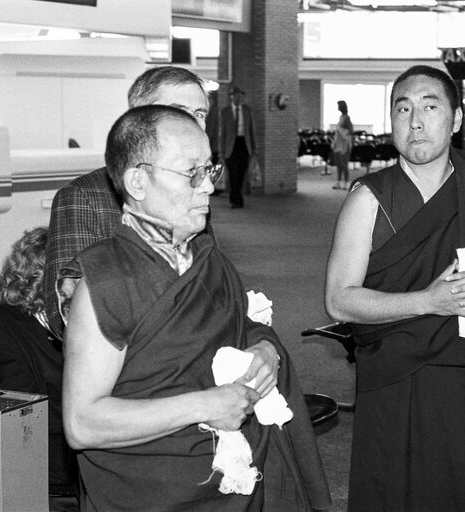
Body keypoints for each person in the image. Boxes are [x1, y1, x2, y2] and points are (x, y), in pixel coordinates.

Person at [62, 105, 330, 511]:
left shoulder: (207, 256)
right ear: (138, 180)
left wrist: (266, 350)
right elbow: (82, 424)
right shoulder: (106, 279)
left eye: (210, 170)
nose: (207, 187)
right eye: (191, 173)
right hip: (157, 489)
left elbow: (241, 324)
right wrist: (204, 404)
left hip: (234, 474)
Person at [324, 65, 465, 512]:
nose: (415, 121)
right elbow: (339, 299)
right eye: (403, 109)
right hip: (398, 378)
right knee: (401, 491)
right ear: (392, 120)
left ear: (456, 119)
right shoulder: (370, 197)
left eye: (430, 106)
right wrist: (429, 301)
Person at [43, 65, 211, 340]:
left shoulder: (197, 190)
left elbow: (209, 285)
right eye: (179, 110)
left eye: (200, 113)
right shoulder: (85, 197)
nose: (193, 122)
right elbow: (67, 316)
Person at [0, 227, 79, 511]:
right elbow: (30, 416)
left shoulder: (80, 320)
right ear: (45, 277)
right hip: (49, 481)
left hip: (94, 465)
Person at [218, 84, 256, 209]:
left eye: (241, 96)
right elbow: (222, 133)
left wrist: (254, 149)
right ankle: (236, 200)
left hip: (244, 144)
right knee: (233, 173)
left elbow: (251, 130)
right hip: (230, 146)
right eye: (236, 96)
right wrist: (221, 151)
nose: (239, 98)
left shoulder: (247, 110)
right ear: (232, 97)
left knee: (241, 173)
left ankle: (235, 196)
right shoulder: (225, 112)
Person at [331, 100, 353, 190]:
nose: (338, 107)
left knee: (344, 164)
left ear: (342, 107)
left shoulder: (347, 118)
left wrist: (342, 131)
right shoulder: (341, 117)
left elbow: (351, 131)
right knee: (339, 164)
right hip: (338, 144)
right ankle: (339, 181)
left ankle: (347, 182)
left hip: (344, 144)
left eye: (339, 105)